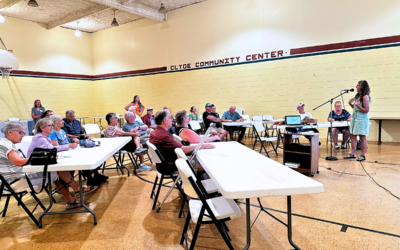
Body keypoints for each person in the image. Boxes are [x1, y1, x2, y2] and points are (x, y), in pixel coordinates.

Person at [25, 119, 94, 209]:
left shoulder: (43, 137)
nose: (51, 127)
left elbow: (51, 150)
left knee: (59, 171)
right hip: (35, 170)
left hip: (41, 165)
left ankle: (72, 198)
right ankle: (76, 190)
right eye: (49, 125)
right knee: (60, 171)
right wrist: (68, 146)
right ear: (42, 128)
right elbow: (53, 149)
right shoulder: (40, 139)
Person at [149, 110, 214, 174]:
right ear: (165, 121)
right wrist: (203, 145)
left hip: (163, 165)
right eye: (170, 118)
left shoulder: (156, 132)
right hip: (171, 166)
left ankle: (200, 181)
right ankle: (201, 183)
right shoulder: (163, 135)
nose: (172, 120)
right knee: (207, 164)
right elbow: (184, 150)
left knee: (200, 160)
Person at [49, 115, 108, 185]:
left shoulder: (62, 131)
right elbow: (56, 147)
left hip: (68, 151)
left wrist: (74, 142)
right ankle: (89, 177)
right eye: (61, 120)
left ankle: (95, 174)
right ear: (54, 123)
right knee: (81, 158)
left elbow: (68, 142)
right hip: (62, 154)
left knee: (87, 155)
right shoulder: (52, 133)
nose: (63, 121)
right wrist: (69, 146)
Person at [345, 80, 371, 161]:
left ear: (362, 87)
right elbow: (356, 109)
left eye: (358, 85)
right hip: (355, 119)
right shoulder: (357, 96)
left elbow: (366, 110)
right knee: (353, 136)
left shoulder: (365, 97)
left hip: (362, 120)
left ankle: (362, 155)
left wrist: (358, 106)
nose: (356, 86)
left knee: (362, 137)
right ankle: (352, 153)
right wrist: (350, 104)